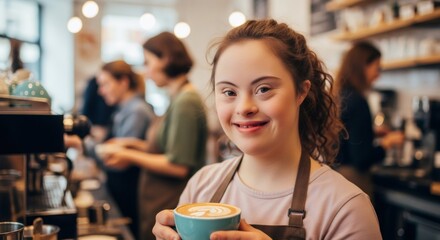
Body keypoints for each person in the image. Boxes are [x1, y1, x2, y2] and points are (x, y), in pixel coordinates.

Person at [152, 19, 382, 239]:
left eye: (263, 89)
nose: (244, 108)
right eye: (229, 92)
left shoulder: (345, 208)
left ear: (301, 91)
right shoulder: (202, 186)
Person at [101, 32, 208, 240]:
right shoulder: (178, 97)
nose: (146, 72)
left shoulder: (186, 101)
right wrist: (130, 144)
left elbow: (177, 165)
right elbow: (166, 148)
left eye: (148, 62)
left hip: (173, 202)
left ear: (165, 59)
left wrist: (129, 156)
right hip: (162, 202)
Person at [91, 60, 155, 238]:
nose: (100, 91)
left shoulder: (137, 111)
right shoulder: (124, 109)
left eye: (105, 84)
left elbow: (117, 160)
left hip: (131, 191)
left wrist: (83, 145)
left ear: (123, 82)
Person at [333, 41, 404, 197]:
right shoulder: (358, 101)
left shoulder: (341, 95)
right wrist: (387, 143)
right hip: (353, 179)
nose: (378, 74)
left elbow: (346, 136)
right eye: (377, 67)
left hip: (336, 175)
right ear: (363, 66)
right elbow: (362, 159)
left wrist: (371, 133)